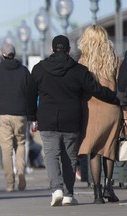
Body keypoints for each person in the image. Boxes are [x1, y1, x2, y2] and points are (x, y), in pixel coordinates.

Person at [29, 35, 119, 206]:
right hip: (71, 119)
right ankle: (69, 194)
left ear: (52, 49)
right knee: (70, 157)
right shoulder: (79, 70)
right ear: (69, 50)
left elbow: (30, 94)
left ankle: (56, 188)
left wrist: (32, 116)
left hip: (47, 118)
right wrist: (114, 98)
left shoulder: (39, 69)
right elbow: (96, 89)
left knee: (51, 155)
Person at [77, 25, 122, 204]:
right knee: (109, 148)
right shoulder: (114, 58)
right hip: (111, 108)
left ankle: (96, 193)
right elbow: (119, 84)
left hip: (91, 108)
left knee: (94, 150)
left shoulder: (83, 60)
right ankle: (108, 188)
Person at [0, 43, 32, 192]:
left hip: (4, 114)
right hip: (21, 114)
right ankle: (20, 171)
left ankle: (9, 183)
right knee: (20, 144)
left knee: (6, 150)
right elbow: (30, 94)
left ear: (2, 55)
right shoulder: (24, 71)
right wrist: (32, 115)